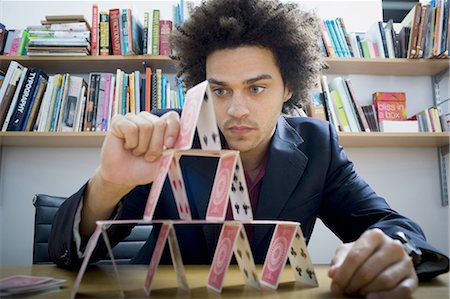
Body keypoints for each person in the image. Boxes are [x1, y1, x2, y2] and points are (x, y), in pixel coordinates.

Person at [49, 0, 449, 297]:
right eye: (220, 90)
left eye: (256, 88)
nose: (236, 110)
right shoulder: (167, 138)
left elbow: (395, 226)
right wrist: (108, 184)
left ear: (288, 87)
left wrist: (393, 250)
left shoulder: (318, 145)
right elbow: (66, 254)